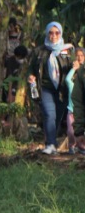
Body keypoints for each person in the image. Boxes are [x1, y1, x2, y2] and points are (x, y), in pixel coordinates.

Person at [28, 21, 74, 155]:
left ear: (60, 34)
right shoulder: (39, 51)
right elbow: (31, 68)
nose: (53, 35)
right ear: (47, 33)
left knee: (58, 117)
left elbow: (74, 66)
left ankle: (52, 139)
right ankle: (51, 144)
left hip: (62, 89)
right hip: (45, 88)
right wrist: (31, 76)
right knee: (49, 114)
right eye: (51, 32)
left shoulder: (68, 50)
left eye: (56, 33)